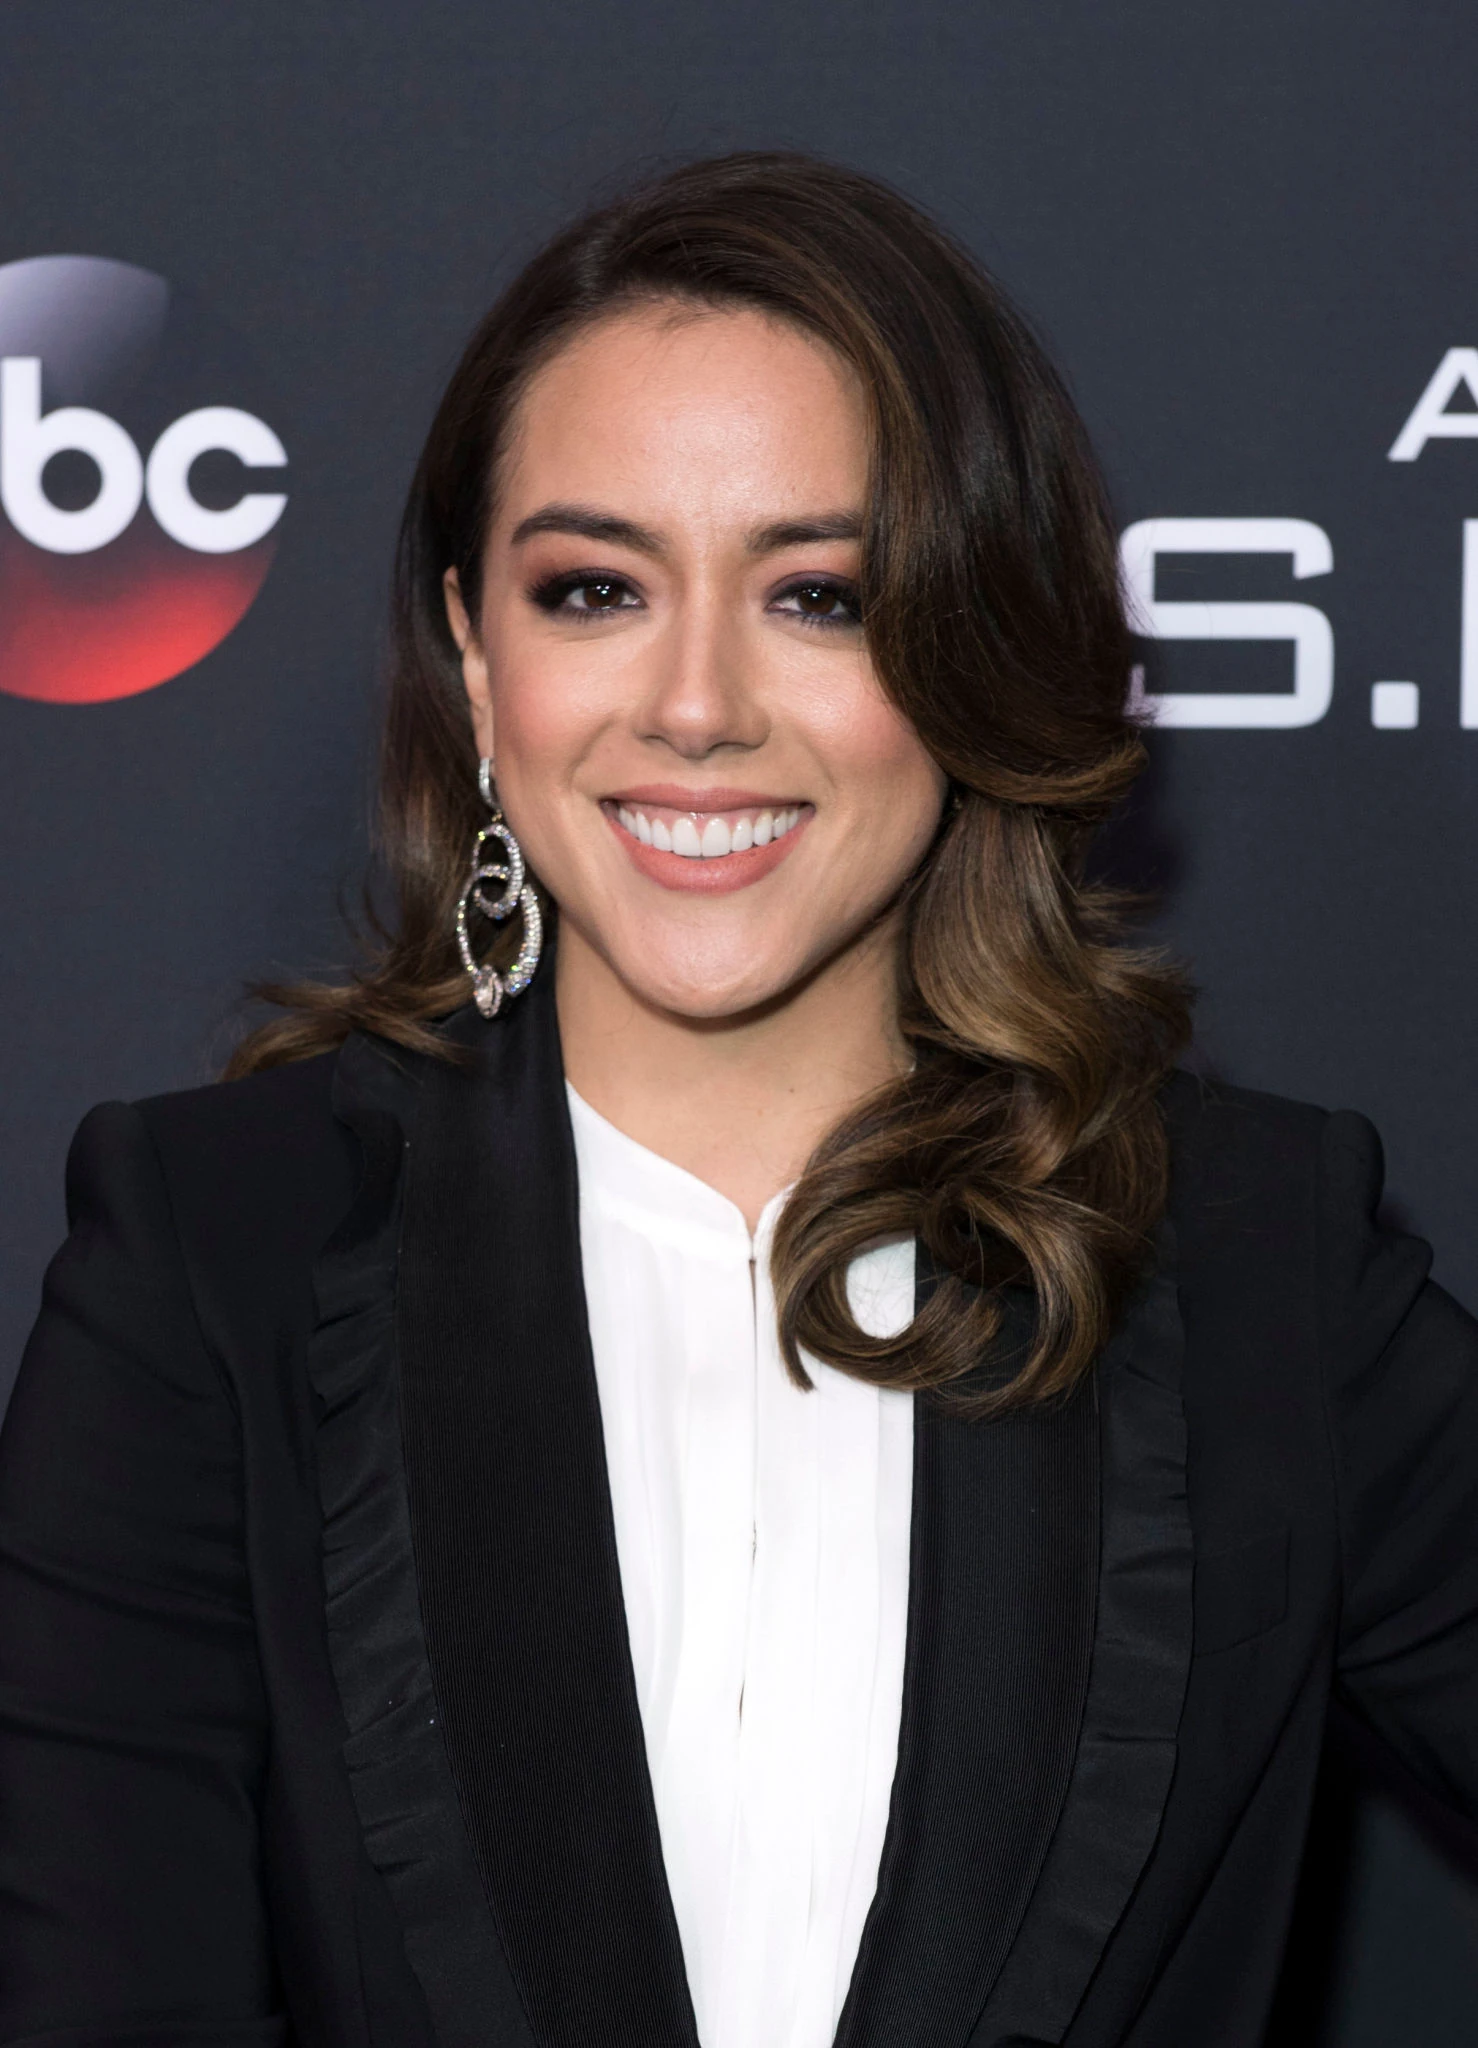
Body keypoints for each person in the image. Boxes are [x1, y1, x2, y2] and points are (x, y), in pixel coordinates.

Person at [0, 150, 1474, 2048]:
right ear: (476, 659)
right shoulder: (217, 1263)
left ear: (973, 648)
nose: (694, 706)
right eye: (595, 588)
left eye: (820, 596)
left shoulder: (1259, 1259)